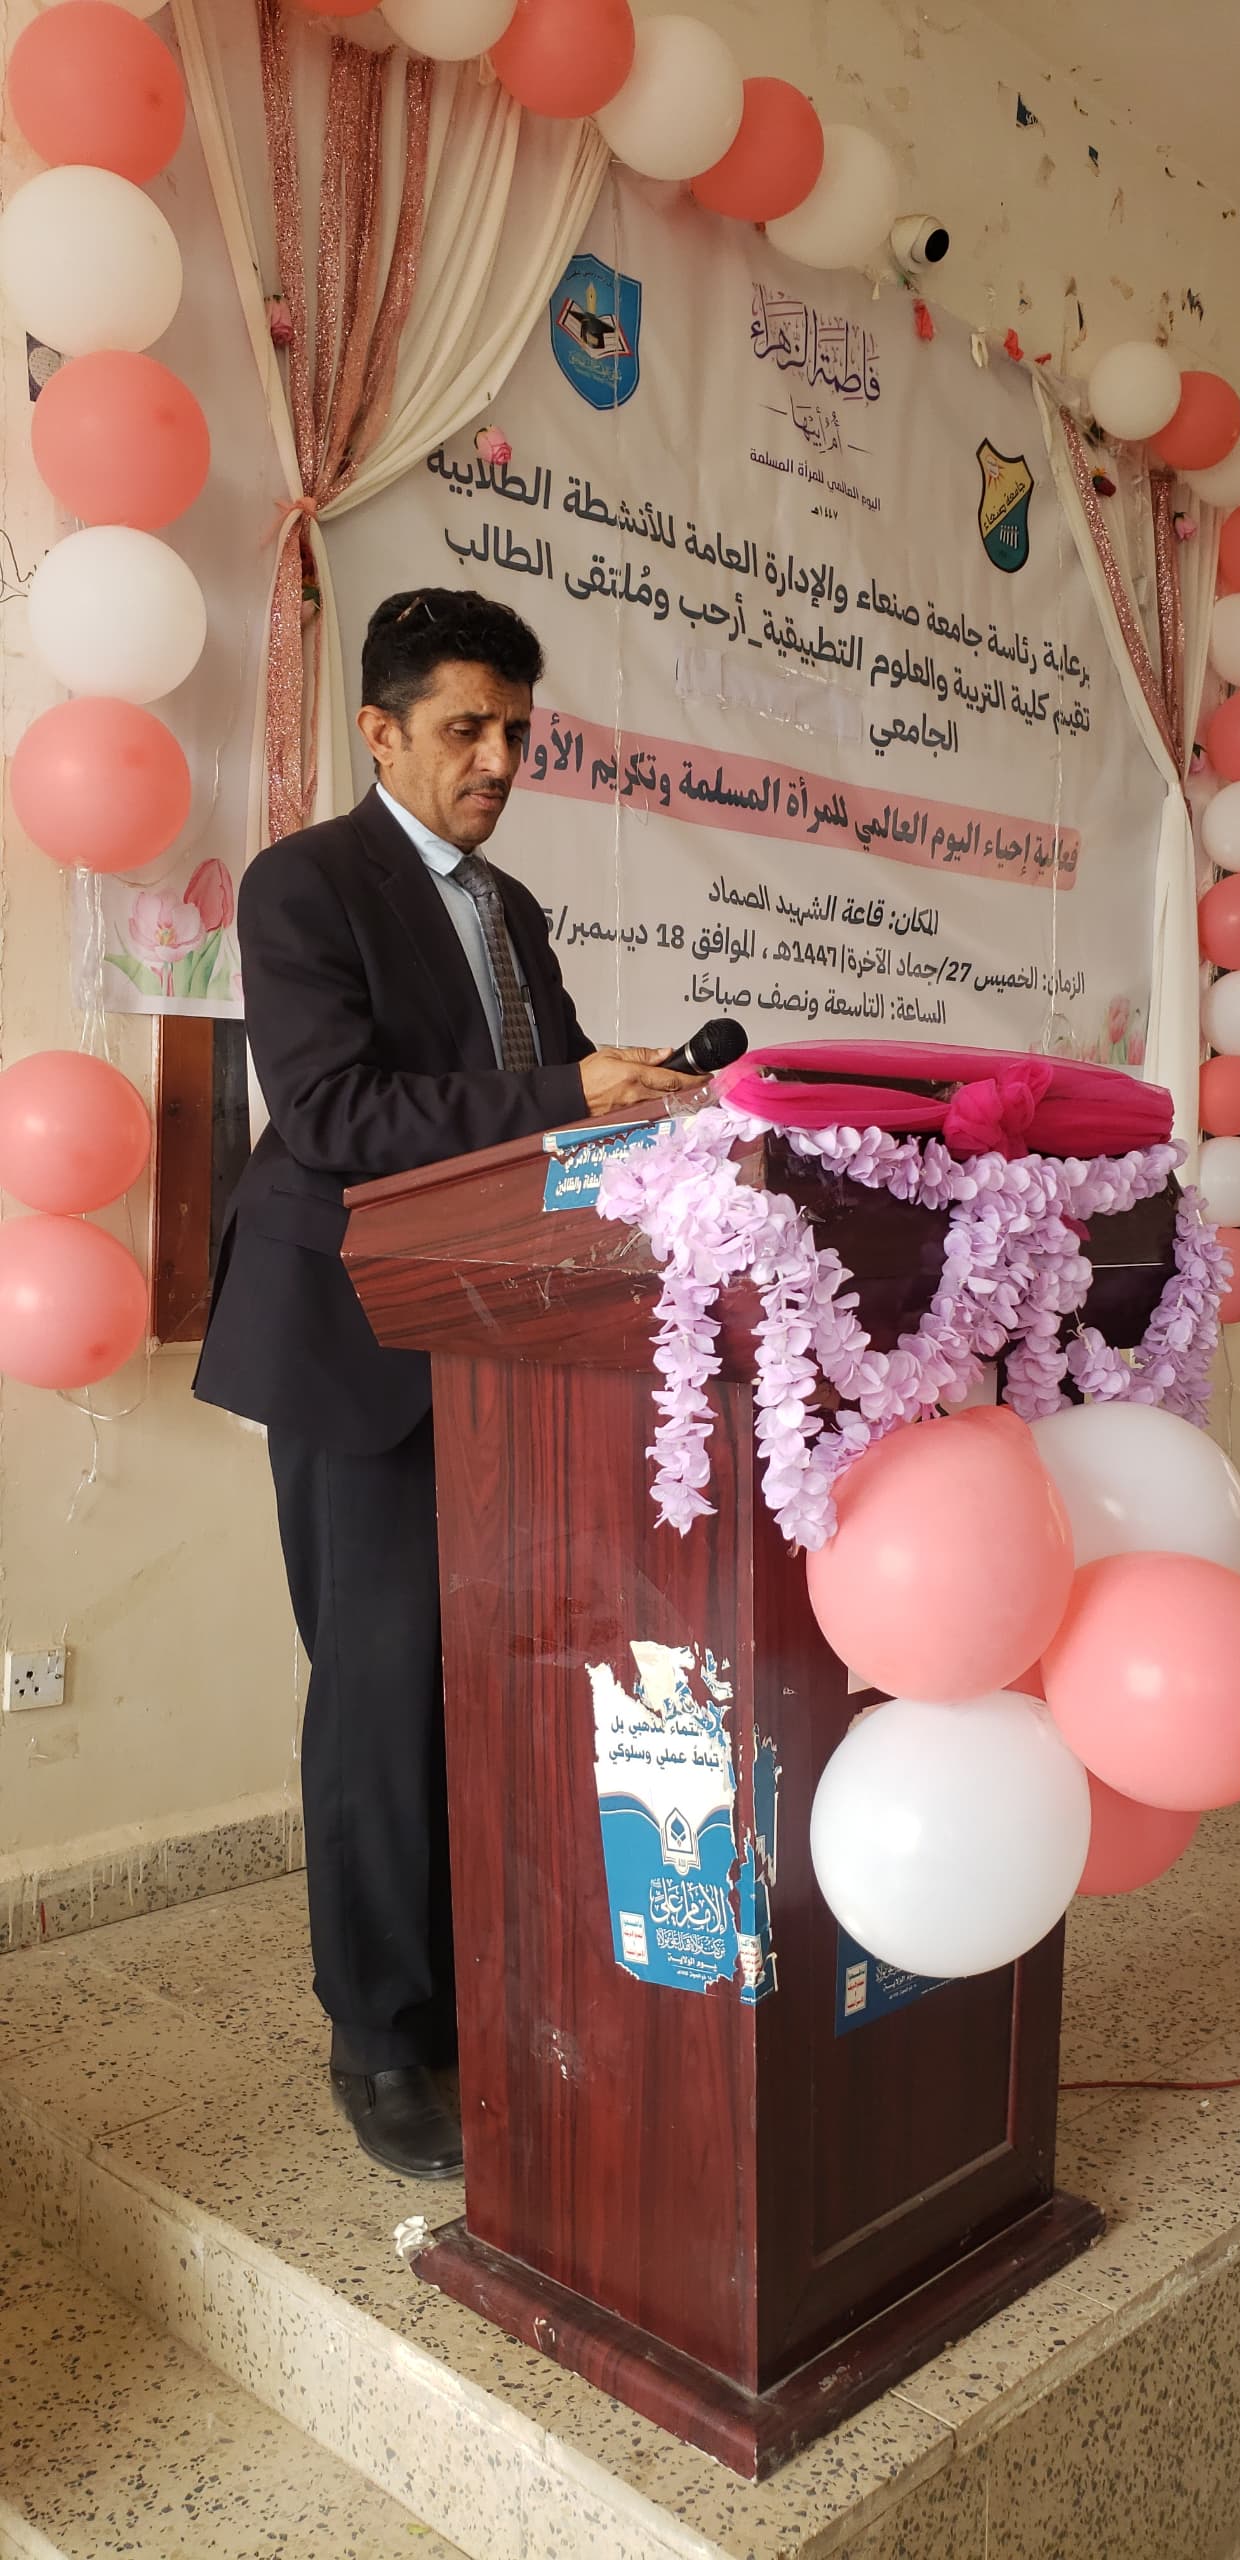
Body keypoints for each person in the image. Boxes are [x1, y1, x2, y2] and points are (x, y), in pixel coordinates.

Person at [195, 588, 699, 2177]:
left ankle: (475, 1992)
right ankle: (379, 2038)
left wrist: (638, 1101)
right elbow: (336, 1115)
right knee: (378, 1693)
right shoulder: (304, 883)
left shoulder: (512, 910)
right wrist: (566, 1091)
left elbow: (537, 1107)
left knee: (484, 1679)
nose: (497, 760)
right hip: (349, 1342)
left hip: (498, 1341)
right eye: (467, 728)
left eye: (517, 734)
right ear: (381, 730)